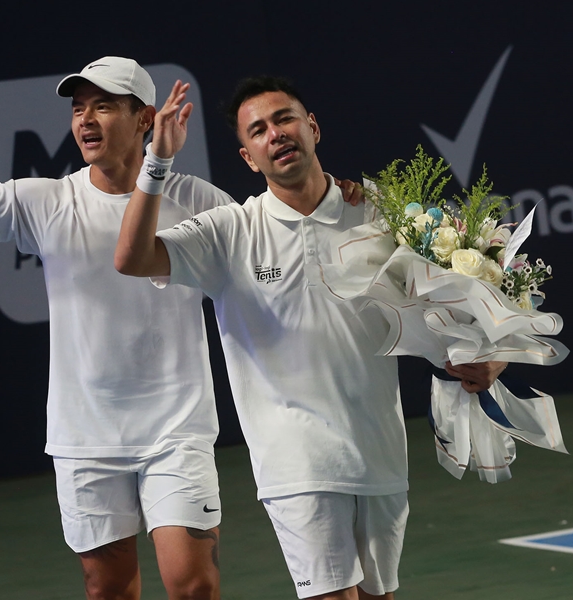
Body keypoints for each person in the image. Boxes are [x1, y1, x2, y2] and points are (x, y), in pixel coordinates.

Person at [0, 54, 233, 600]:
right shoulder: (45, 201)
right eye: (79, 108)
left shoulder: (199, 202)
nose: (85, 120)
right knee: (109, 592)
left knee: (193, 586)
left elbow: (266, 249)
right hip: (86, 440)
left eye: (103, 106)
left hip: (175, 433)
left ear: (145, 118)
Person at [115, 77, 506, 599]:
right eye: (258, 130)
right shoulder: (229, 231)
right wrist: (156, 162)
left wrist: (489, 357)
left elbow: (459, 297)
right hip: (295, 458)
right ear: (248, 157)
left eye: (284, 119)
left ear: (312, 127)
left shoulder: (383, 213)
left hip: (380, 450)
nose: (275, 134)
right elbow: (131, 258)